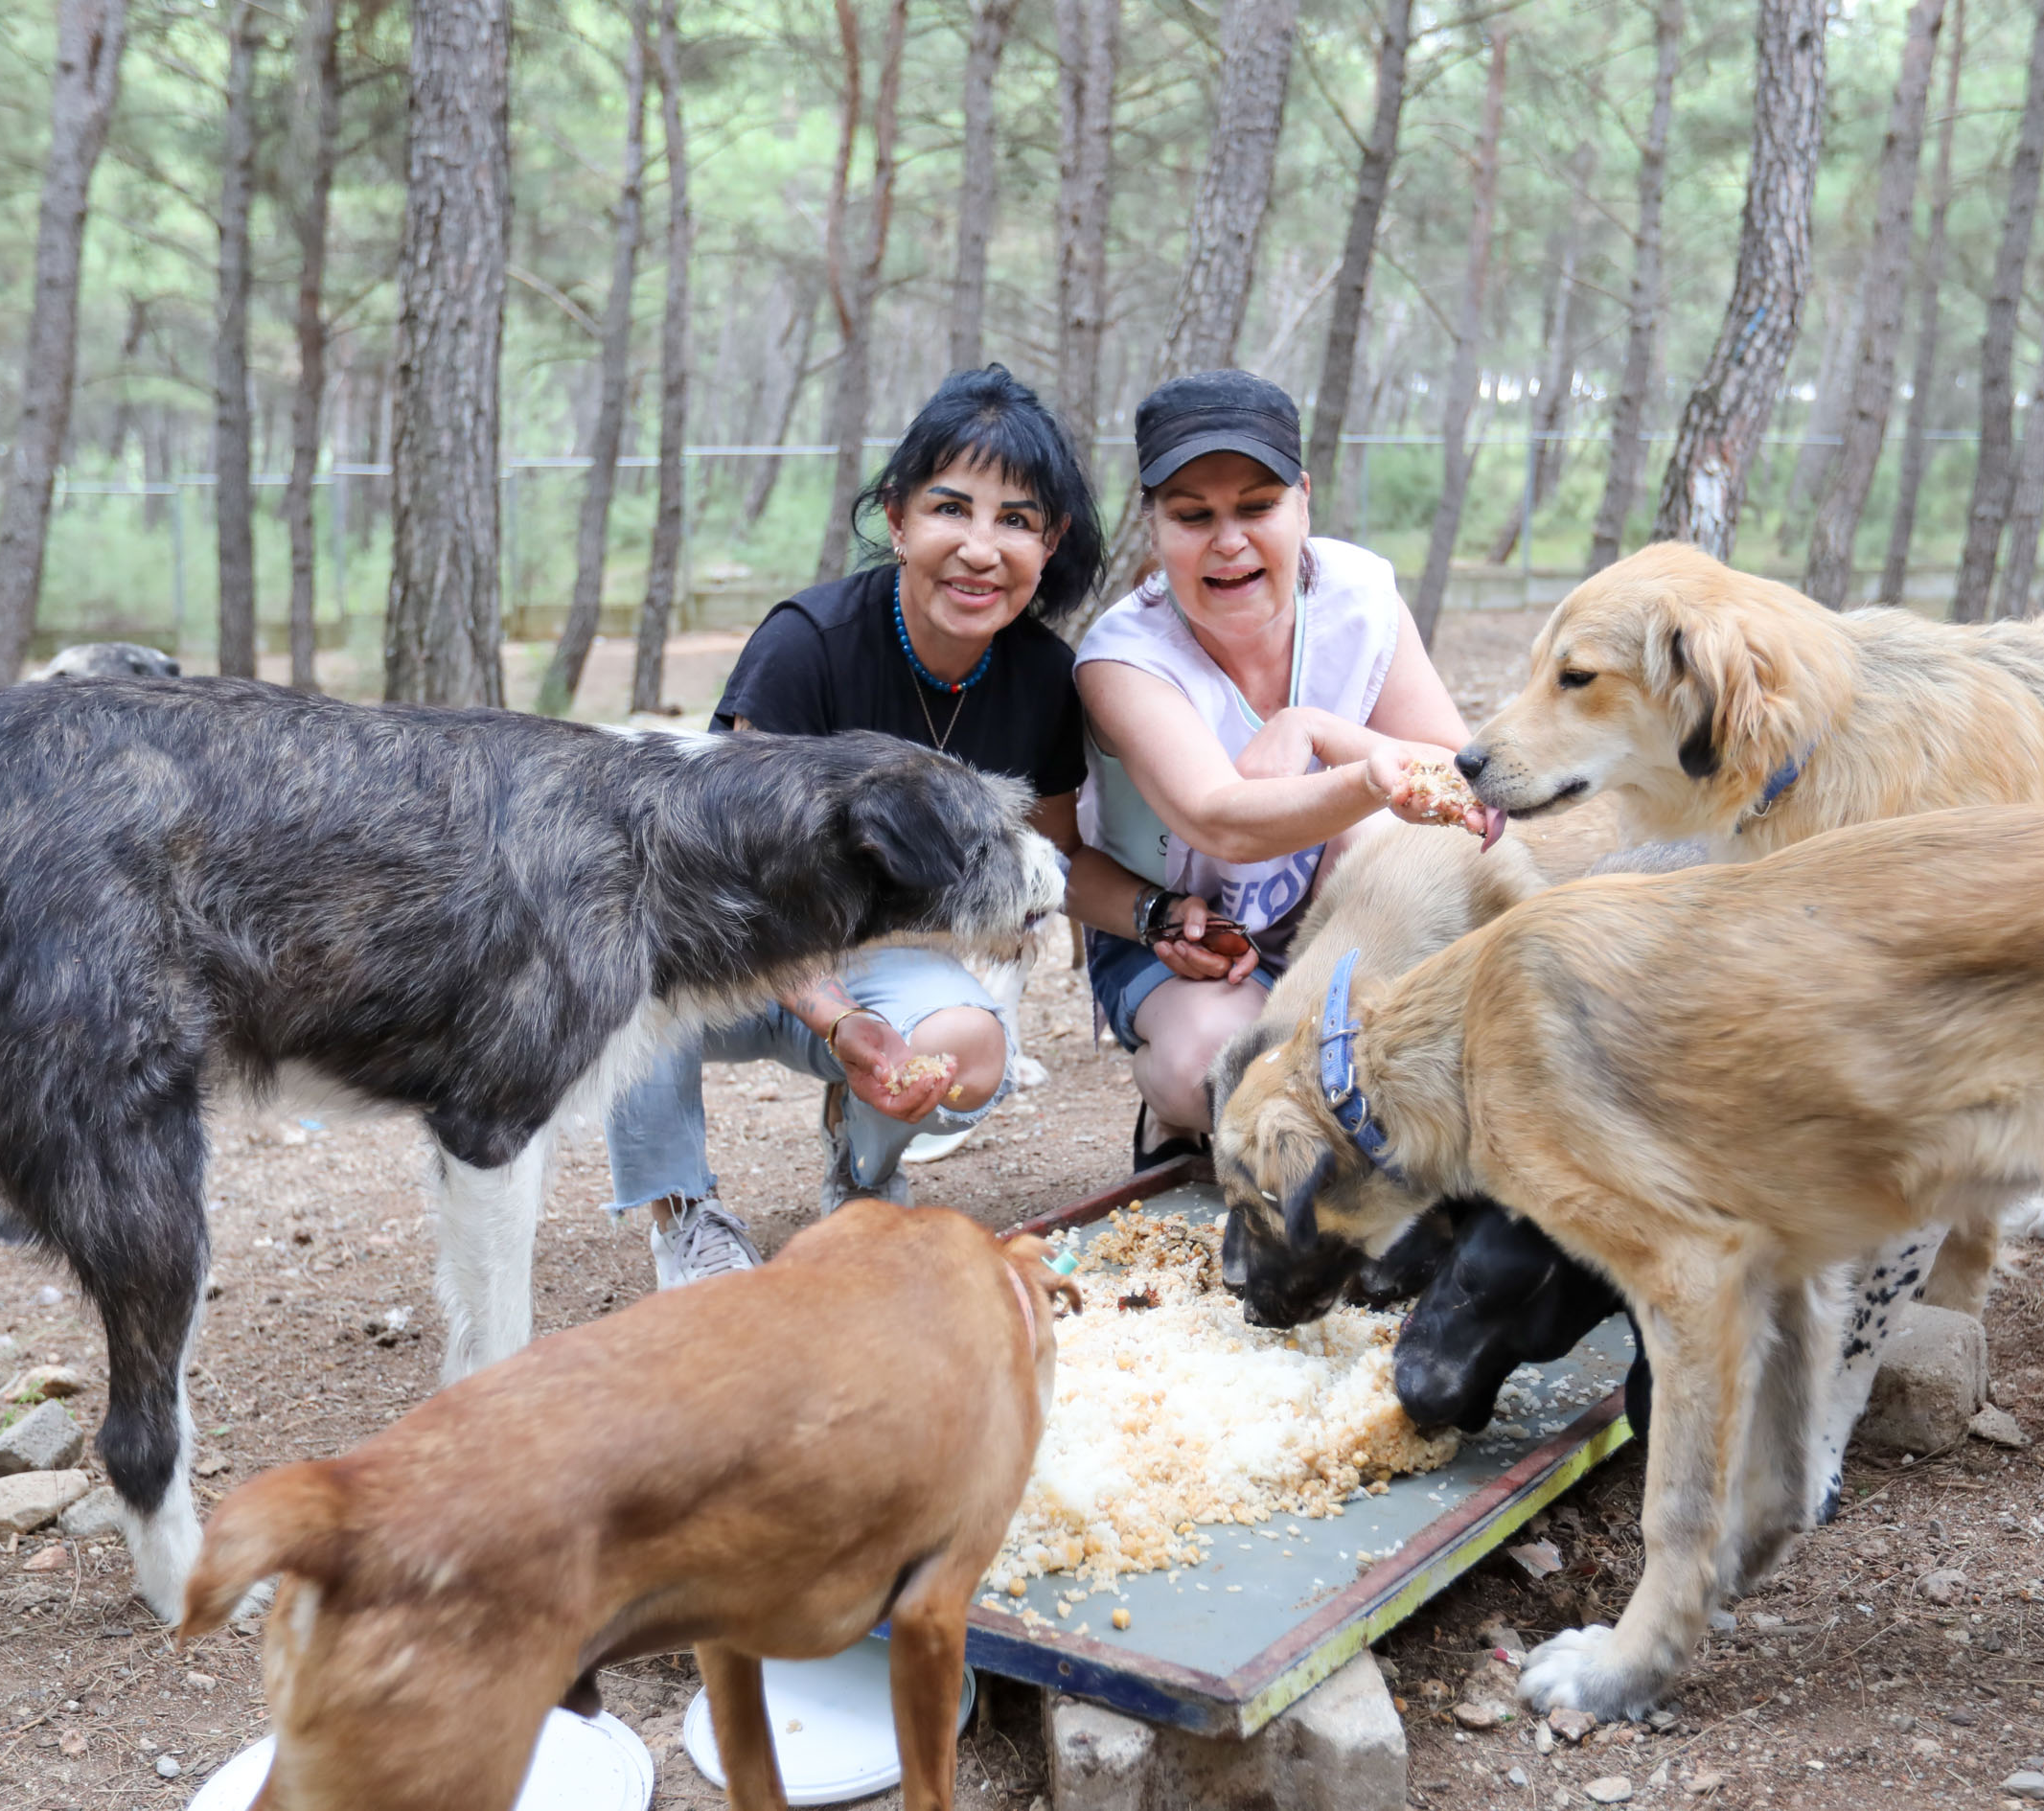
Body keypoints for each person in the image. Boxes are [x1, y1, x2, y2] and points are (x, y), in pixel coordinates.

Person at [606, 366, 1105, 1288]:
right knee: (630, 961)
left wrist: (1162, 921)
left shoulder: (1043, 678)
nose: (981, 549)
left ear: (1051, 541)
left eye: (1017, 520)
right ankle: (684, 1214)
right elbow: (723, 880)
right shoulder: (807, 644)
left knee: (973, 1045)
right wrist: (840, 1025)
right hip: (734, 940)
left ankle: (861, 1175)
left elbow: (1060, 858)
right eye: (951, 508)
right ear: (899, 515)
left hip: (881, 951)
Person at [1073, 369, 1489, 1160]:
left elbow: (1451, 766)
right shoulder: (1121, 656)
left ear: (1302, 498)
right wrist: (1371, 775)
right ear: (1153, 525)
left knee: (1383, 836)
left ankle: (1357, 1072)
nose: (1228, 541)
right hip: (1185, 937)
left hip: (1328, 915)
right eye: (1193, 516)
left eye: (1256, 508)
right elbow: (1218, 820)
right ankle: (1174, 1119)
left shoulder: (1359, 595)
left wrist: (1321, 729)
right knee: (1210, 1070)